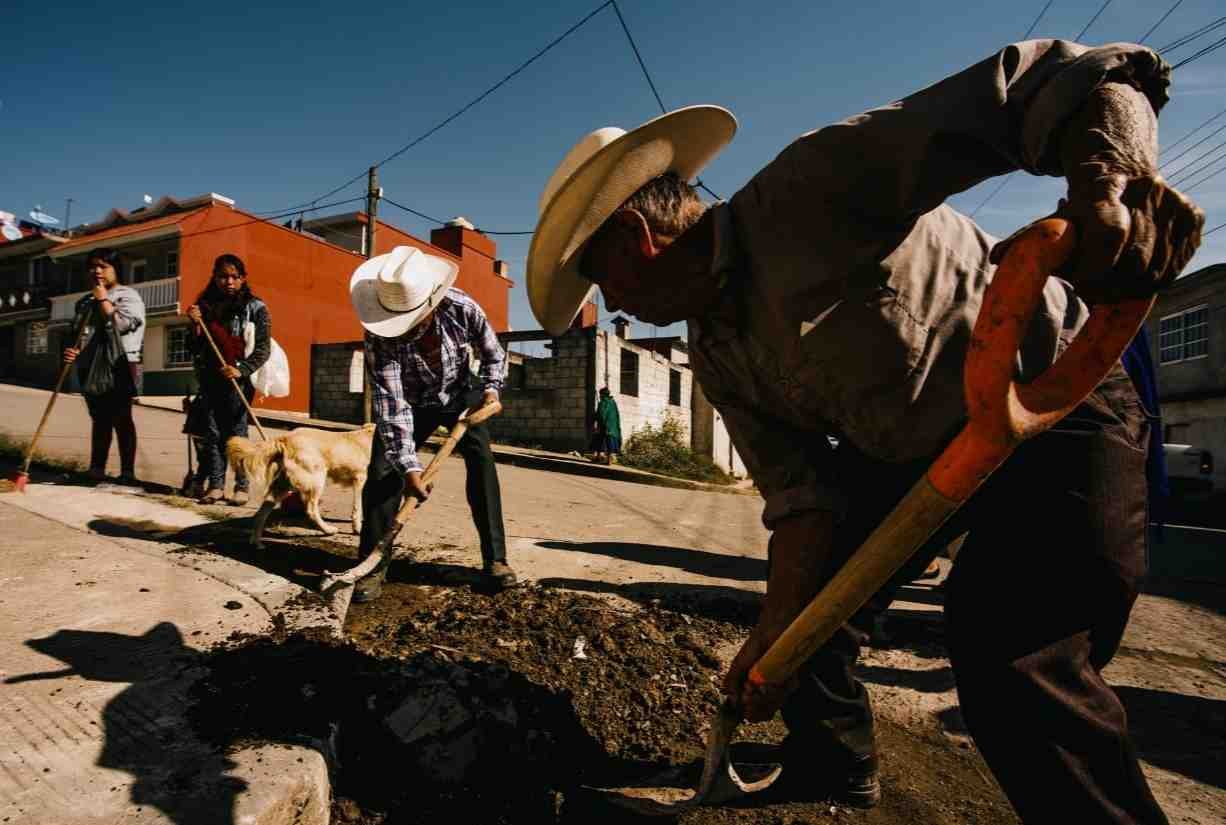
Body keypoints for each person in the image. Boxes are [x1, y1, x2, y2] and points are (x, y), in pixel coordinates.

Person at [526, 40, 1203, 823]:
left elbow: (1055, 79)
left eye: (603, 280)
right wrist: (775, 641)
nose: (614, 306)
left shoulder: (812, 187)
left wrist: (1113, 180)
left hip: (1058, 399)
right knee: (808, 614)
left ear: (636, 242)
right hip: (923, 453)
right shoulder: (716, 353)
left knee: (1011, 651)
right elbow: (803, 499)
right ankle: (829, 767)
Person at [349, 245, 516, 602]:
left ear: (430, 304)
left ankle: (496, 561)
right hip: (411, 402)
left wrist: (490, 392)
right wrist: (410, 469)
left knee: (482, 462)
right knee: (382, 472)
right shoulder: (379, 336)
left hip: (459, 395)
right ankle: (372, 565)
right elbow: (392, 408)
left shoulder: (462, 308)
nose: (406, 331)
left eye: (413, 321)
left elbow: (493, 356)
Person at [185, 254, 270, 505]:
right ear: (215, 278)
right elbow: (194, 346)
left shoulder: (255, 308)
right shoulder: (204, 307)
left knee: (237, 433)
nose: (229, 281)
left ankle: (242, 487)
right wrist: (194, 324)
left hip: (238, 380)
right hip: (211, 377)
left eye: (235, 276)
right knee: (212, 432)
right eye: (223, 276)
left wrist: (241, 369)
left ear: (243, 279)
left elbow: (263, 349)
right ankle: (216, 485)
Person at [63, 247, 146, 484]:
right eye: (93, 266)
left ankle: (127, 472)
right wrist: (73, 351)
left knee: (121, 417)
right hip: (90, 365)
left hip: (121, 363)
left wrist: (103, 299)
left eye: (103, 266)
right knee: (99, 418)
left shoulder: (128, 296)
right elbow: (79, 334)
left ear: (115, 269)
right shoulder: (84, 302)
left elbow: (121, 325)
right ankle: (97, 468)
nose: (97, 271)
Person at [591, 387, 621, 464]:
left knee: (599, 439)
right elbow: (616, 414)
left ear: (602, 394)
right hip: (613, 426)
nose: (600, 396)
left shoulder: (603, 402)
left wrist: (595, 420)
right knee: (609, 441)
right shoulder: (613, 402)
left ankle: (603, 458)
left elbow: (601, 414)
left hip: (604, 425)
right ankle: (605, 458)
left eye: (600, 394)